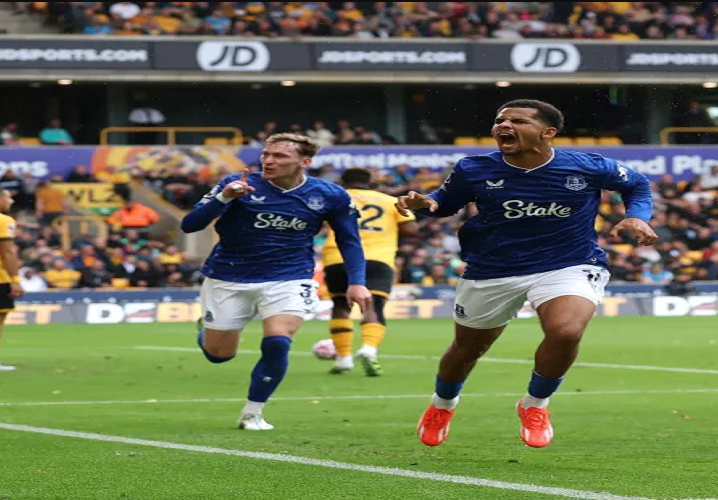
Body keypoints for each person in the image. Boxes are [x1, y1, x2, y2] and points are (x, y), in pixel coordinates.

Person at [396, 99, 657, 448]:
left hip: (568, 263)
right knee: (467, 348)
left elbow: (637, 184)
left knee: (566, 331)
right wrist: (427, 203)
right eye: (500, 120)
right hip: (492, 268)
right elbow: (445, 202)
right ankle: (442, 405)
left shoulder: (587, 166)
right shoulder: (473, 168)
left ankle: (535, 404)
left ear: (547, 132)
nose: (504, 126)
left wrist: (638, 215)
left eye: (518, 121)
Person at [181, 133, 372, 429]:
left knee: (278, 342)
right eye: (266, 155)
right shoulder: (237, 184)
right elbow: (190, 225)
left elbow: (349, 240)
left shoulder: (330, 195)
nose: (269, 161)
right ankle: (206, 333)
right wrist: (224, 197)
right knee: (219, 355)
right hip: (228, 275)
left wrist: (357, 281)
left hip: (290, 277)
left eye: (279, 156)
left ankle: (253, 412)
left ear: (304, 162)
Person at [321, 167, 417, 376]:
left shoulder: (334, 198)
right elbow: (411, 230)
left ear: (342, 182)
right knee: (374, 305)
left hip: (337, 256)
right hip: (377, 258)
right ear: (370, 182)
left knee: (340, 305)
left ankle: (343, 358)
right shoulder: (389, 200)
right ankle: (369, 349)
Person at [0, 187, 22, 372]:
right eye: (8, 198)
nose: (11, 202)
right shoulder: (2, 220)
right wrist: (15, 279)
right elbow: (7, 252)